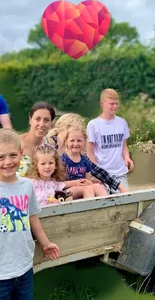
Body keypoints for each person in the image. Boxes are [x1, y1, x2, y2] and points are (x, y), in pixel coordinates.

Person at [0, 128, 59, 300]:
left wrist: (45, 243)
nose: (7, 162)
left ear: (21, 153)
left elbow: (32, 216)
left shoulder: (26, 186)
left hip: (24, 266)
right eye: (0, 157)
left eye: (12, 155)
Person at [47, 113, 127, 194]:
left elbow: (99, 172)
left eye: (78, 139)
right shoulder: (49, 148)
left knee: (99, 186)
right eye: (71, 138)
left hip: (79, 189)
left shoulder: (79, 155)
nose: (75, 143)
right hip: (57, 191)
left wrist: (119, 186)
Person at [86, 88, 134, 194]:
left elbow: (124, 146)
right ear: (102, 104)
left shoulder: (122, 123)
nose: (115, 106)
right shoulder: (93, 125)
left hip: (119, 173)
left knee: (124, 199)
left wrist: (127, 158)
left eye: (117, 103)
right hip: (103, 174)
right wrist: (95, 173)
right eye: (112, 103)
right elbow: (90, 152)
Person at [27, 143, 97, 203]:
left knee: (70, 197)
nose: (47, 166)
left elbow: (63, 184)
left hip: (56, 215)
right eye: (43, 164)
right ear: (36, 166)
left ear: (56, 165)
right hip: (40, 215)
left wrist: (78, 182)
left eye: (51, 163)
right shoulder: (32, 183)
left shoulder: (54, 183)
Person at [61, 126, 108, 198]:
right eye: (72, 140)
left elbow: (87, 180)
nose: (76, 143)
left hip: (83, 188)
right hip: (66, 192)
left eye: (79, 141)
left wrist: (89, 182)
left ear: (84, 142)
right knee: (87, 189)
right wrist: (75, 183)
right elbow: (58, 184)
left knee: (98, 186)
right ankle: (90, 208)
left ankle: (107, 206)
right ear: (66, 142)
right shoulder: (62, 160)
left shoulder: (85, 161)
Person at [17, 101, 55, 177]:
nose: (41, 124)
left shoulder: (50, 144)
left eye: (46, 120)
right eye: (37, 119)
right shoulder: (16, 143)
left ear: (51, 123)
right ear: (30, 120)